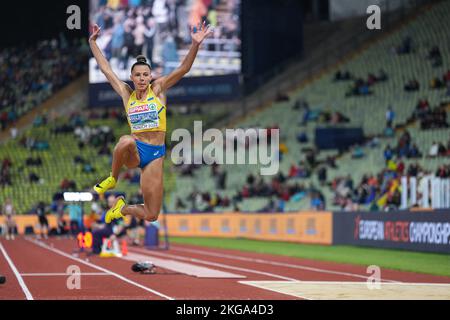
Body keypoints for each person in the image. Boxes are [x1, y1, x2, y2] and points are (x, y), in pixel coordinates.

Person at [89, 22, 213, 224]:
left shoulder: (158, 90)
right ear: (132, 77)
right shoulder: (126, 94)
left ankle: (122, 209)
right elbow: (106, 70)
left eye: (145, 74)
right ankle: (112, 178)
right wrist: (92, 42)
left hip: (155, 155)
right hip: (135, 151)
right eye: (137, 75)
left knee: (151, 214)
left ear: (150, 76)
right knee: (125, 141)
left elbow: (183, 69)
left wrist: (195, 45)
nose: (142, 78)